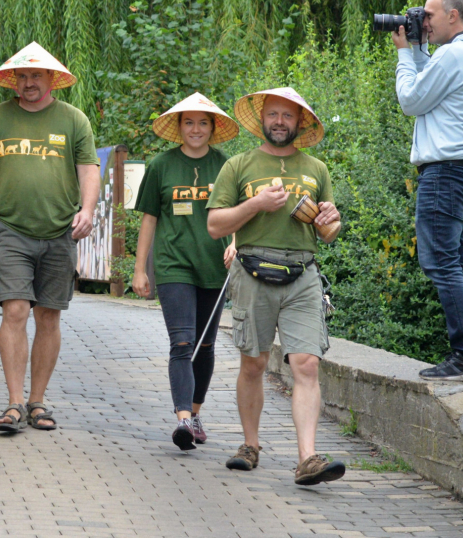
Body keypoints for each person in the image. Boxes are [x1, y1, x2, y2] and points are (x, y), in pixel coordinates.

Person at [0, 41, 100, 433]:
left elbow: (89, 170)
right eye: (23, 75)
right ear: (14, 80)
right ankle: (14, 402)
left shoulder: (73, 120)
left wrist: (87, 210)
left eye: (36, 75)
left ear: (51, 78)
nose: (29, 82)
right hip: (11, 230)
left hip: (60, 231)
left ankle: (38, 402)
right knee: (15, 311)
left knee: (48, 316)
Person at [206, 87, 345, 486]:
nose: (280, 121)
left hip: (303, 275)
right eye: (274, 114)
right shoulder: (238, 165)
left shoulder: (316, 168)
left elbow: (330, 232)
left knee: (307, 363)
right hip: (251, 273)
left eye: (288, 115)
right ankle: (250, 445)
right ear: (262, 119)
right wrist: (256, 205)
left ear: (300, 122)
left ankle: (307, 458)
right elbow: (216, 224)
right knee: (253, 363)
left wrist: (329, 219)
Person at [131, 93, 239, 451]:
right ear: (179, 127)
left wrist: (235, 244)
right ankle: (182, 421)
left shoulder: (226, 166)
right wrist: (139, 269)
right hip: (173, 265)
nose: (195, 129)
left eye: (203, 122)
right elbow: (149, 218)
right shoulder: (161, 165)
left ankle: (195, 412)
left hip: (214, 267)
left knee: (205, 345)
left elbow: (237, 213)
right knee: (182, 343)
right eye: (189, 122)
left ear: (212, 128)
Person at [392, 0, 463, 381]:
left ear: (453, 16)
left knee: (441, 262)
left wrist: (403, 54)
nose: (422, 21)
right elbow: (432, 87)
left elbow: (411, 98)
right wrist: (419, 51)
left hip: (445, 171)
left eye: (429, 14)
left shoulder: (455, 54)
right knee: (459, 262)